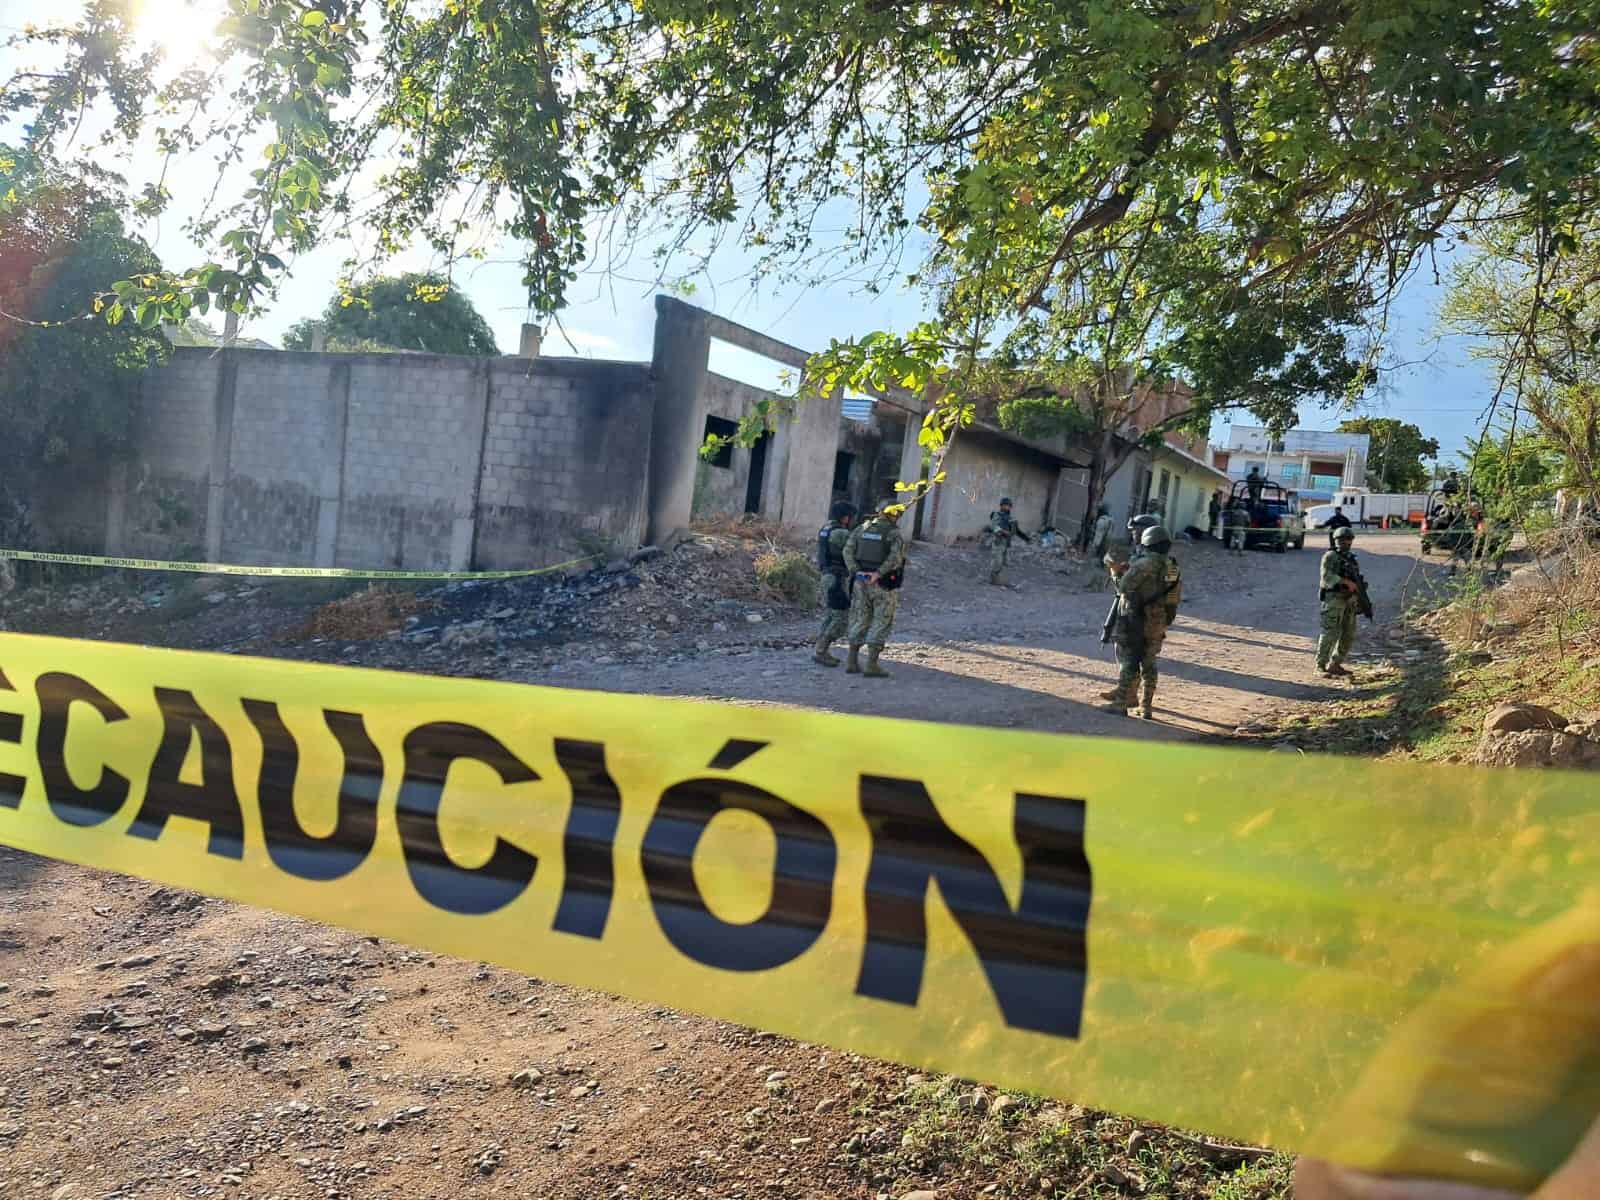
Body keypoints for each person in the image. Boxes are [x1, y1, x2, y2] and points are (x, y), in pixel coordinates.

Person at [1099, 523, 1180, 719]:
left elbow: (1123, 588)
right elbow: (1174, 596)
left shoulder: (1143, 564)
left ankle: (1120, 703)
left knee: (1129, 659)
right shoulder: (1172, 566)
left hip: (1136, 617)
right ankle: (1146, 707)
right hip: (1158, 619)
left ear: (1147, 542)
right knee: (1149, 662)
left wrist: (1115, 571)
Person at [844, 499, 907, 678]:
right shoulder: (893, 534)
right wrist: (878, 574)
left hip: (860, 582)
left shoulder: (861, 529)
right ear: (895, 514)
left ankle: (852, 661)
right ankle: (871, 665)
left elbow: (847, 551)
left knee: (860, 618)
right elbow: (895, 558)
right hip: (882, 584)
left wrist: (856, 572)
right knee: (882, 620)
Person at [812, 500, 856, 666]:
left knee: (831, 615)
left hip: (827, 576)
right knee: (841, 617)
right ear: (844, 517)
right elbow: (857, 547)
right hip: (836, 577)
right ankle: (820, 651)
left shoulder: (826, 528)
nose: (850, 520)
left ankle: (821, 650)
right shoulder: (840, 533)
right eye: (850, 517)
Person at [1317, 527, 1361, 677]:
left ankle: (1335, 663)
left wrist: (1357, 595)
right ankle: (1320, 665)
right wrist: (1344, 581)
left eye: (1349, 540)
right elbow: (1326, 577)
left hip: (1349, 600)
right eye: (1343, 540)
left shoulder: (1351, 559)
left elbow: (1356, 581)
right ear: (1337, 541)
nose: (1346, 542)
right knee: (1330, 632)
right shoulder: (1330, 556)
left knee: (1348, 633)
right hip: (1334, 598)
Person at [985, 497, 1030, 585]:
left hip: (1006, 544)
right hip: (998, 542)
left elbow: (1016, 531)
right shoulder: (996, 515)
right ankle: (992, 579)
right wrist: (1002, 532)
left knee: (1005, 563)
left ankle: (1001, 580)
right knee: (997, 562)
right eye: (1005, 505)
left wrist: (1026, 538)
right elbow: (993, 526)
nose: (1007, 507)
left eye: (1008, 506)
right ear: (1001, 506)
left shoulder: (1011, 519)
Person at [1085, 503, 1114, 589]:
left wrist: (1094, 546)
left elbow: (1098, 536)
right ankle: (1100, 584)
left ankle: (1094, 584)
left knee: (1095, 564)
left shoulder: (1101, 521)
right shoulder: (1111, 519)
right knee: (1102, 565)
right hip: (1108, 544)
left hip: (1100, 544)